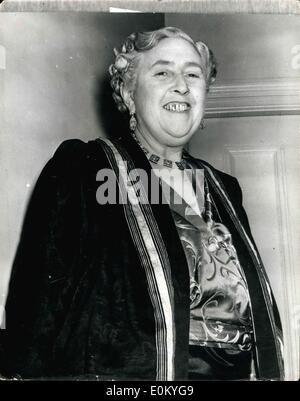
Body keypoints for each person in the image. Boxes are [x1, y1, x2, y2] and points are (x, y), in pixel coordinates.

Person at [0, 27, 284, 381]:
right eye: (163, 72)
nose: (182, 84)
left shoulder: (223, 188)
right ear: (129, 94)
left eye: (193, 74)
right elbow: (37, 308)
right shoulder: (88, 169)